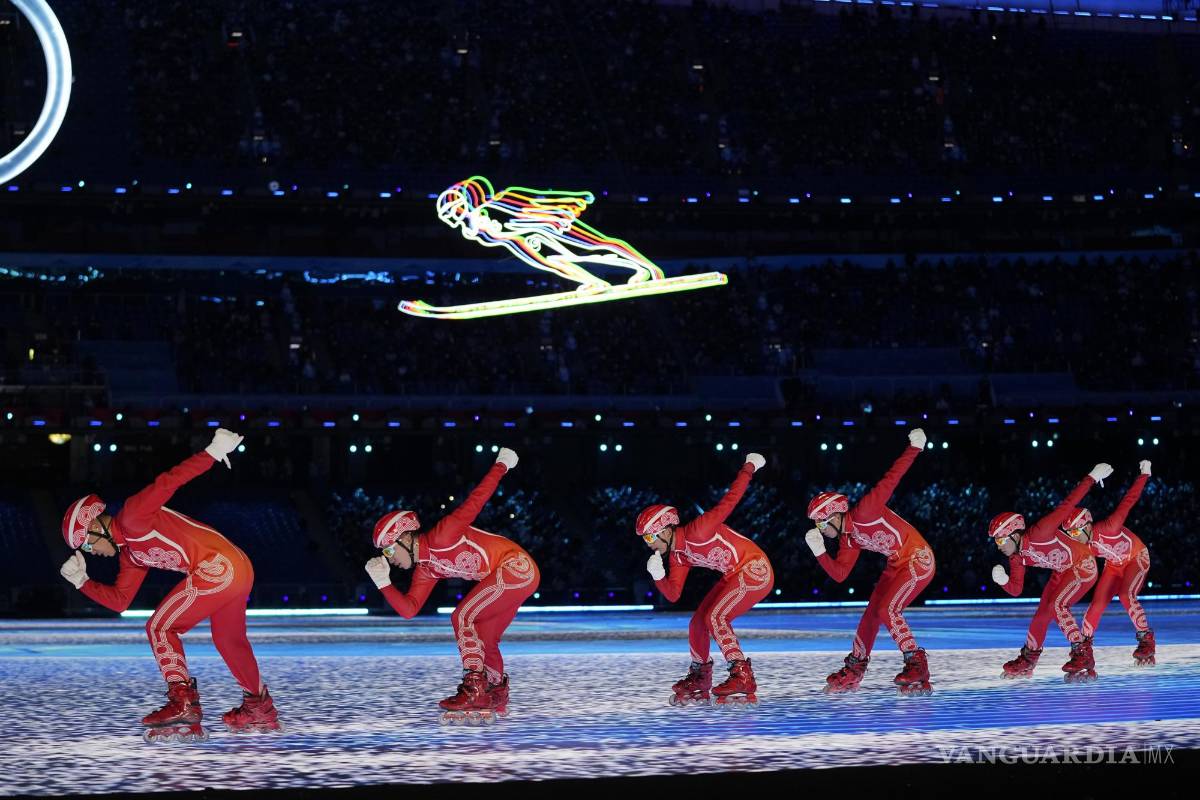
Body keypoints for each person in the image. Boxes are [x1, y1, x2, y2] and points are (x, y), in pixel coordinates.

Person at [59, 429, 281, 741]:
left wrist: (212, 452)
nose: (90, 552)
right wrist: (82, 582)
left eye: (85, 545)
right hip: (235, 567)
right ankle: (259, 708)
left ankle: (183, 702)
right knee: (229, 640)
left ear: (95, 526)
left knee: (160, 628)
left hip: (218, 568)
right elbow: (121, 601)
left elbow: (169, 481)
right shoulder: (132, 555)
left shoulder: (133, 516)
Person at [363, 448, 538, 725]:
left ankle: (475, 688)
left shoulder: (443, 535)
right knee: (485, 637)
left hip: (516, 568)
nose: (389, 559)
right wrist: (383, 583)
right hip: (513, 577)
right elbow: (410, 610)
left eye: (388, 551)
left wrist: (502, 464)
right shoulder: (426, 568)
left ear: (405, 538)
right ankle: (495, 690)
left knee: (462, 616)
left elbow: (476, 500)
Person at [804, 429, 936, 696]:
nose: (819, 528)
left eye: (821, 522)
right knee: (871, 614)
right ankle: (855, 667)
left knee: (888, 609)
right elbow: (840, 574)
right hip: (896, 564)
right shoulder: (849, 539)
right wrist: (819, 552)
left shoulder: (865, 511)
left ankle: (916, 663)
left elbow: (891, 479)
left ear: (835, 516)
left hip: (918, 558)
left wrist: (915, 448)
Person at [637, 453, 773, 708]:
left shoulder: (699, 530)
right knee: (697, 624)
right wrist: (658, 577)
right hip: (734, 574)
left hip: (755, 569)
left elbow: (729, 501)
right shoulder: (677, 556)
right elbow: (673, 594)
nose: (649, 544)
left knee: (715, 617)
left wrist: (749, 467)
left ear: (665, 531)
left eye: (648, 538)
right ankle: (700, 677)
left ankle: (742, 675)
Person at [989, 463, 1111, 682]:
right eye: (995, 540)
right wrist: (1004, 581)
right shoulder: (1016, 558)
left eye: (1000, 539)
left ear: (1015, 535)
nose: (998, 545)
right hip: (1063, 571)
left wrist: (1091, 477)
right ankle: (1029, 659)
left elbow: (1067, 505)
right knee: (1042, 613)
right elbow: (1016, 590)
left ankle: (1082, 653)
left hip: (1083, 564)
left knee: (1057, 605)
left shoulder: (1041, 531)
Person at [1072, 460, 1156, 665]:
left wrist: (1145, 474)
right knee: (1096, 604)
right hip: (1114, 565)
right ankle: (1084, 649)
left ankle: (1146, 640)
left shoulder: (1110, 526)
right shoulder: (1081, 547)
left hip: (1137, 557)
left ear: (1087, 527)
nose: (1073, 538)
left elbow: (1129, 500)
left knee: (1126, 594)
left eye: (1075, 532)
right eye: (1070, 534)